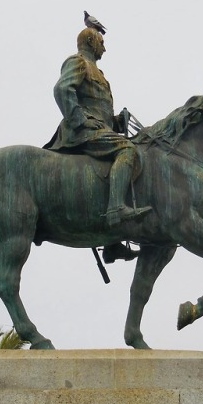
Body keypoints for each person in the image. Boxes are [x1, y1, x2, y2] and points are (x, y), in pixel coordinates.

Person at [45, 27, 151, 262]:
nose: (105, 47)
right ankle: (116, 209)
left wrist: (115, 121)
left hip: (97, 128)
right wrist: (80, 121)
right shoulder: (79, 62)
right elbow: (62, 89)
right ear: (92, 42)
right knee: (127, 150)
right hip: (81, 131)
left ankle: (112, 243)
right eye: (102, 42)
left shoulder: (98, 71)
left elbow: (96, 108)